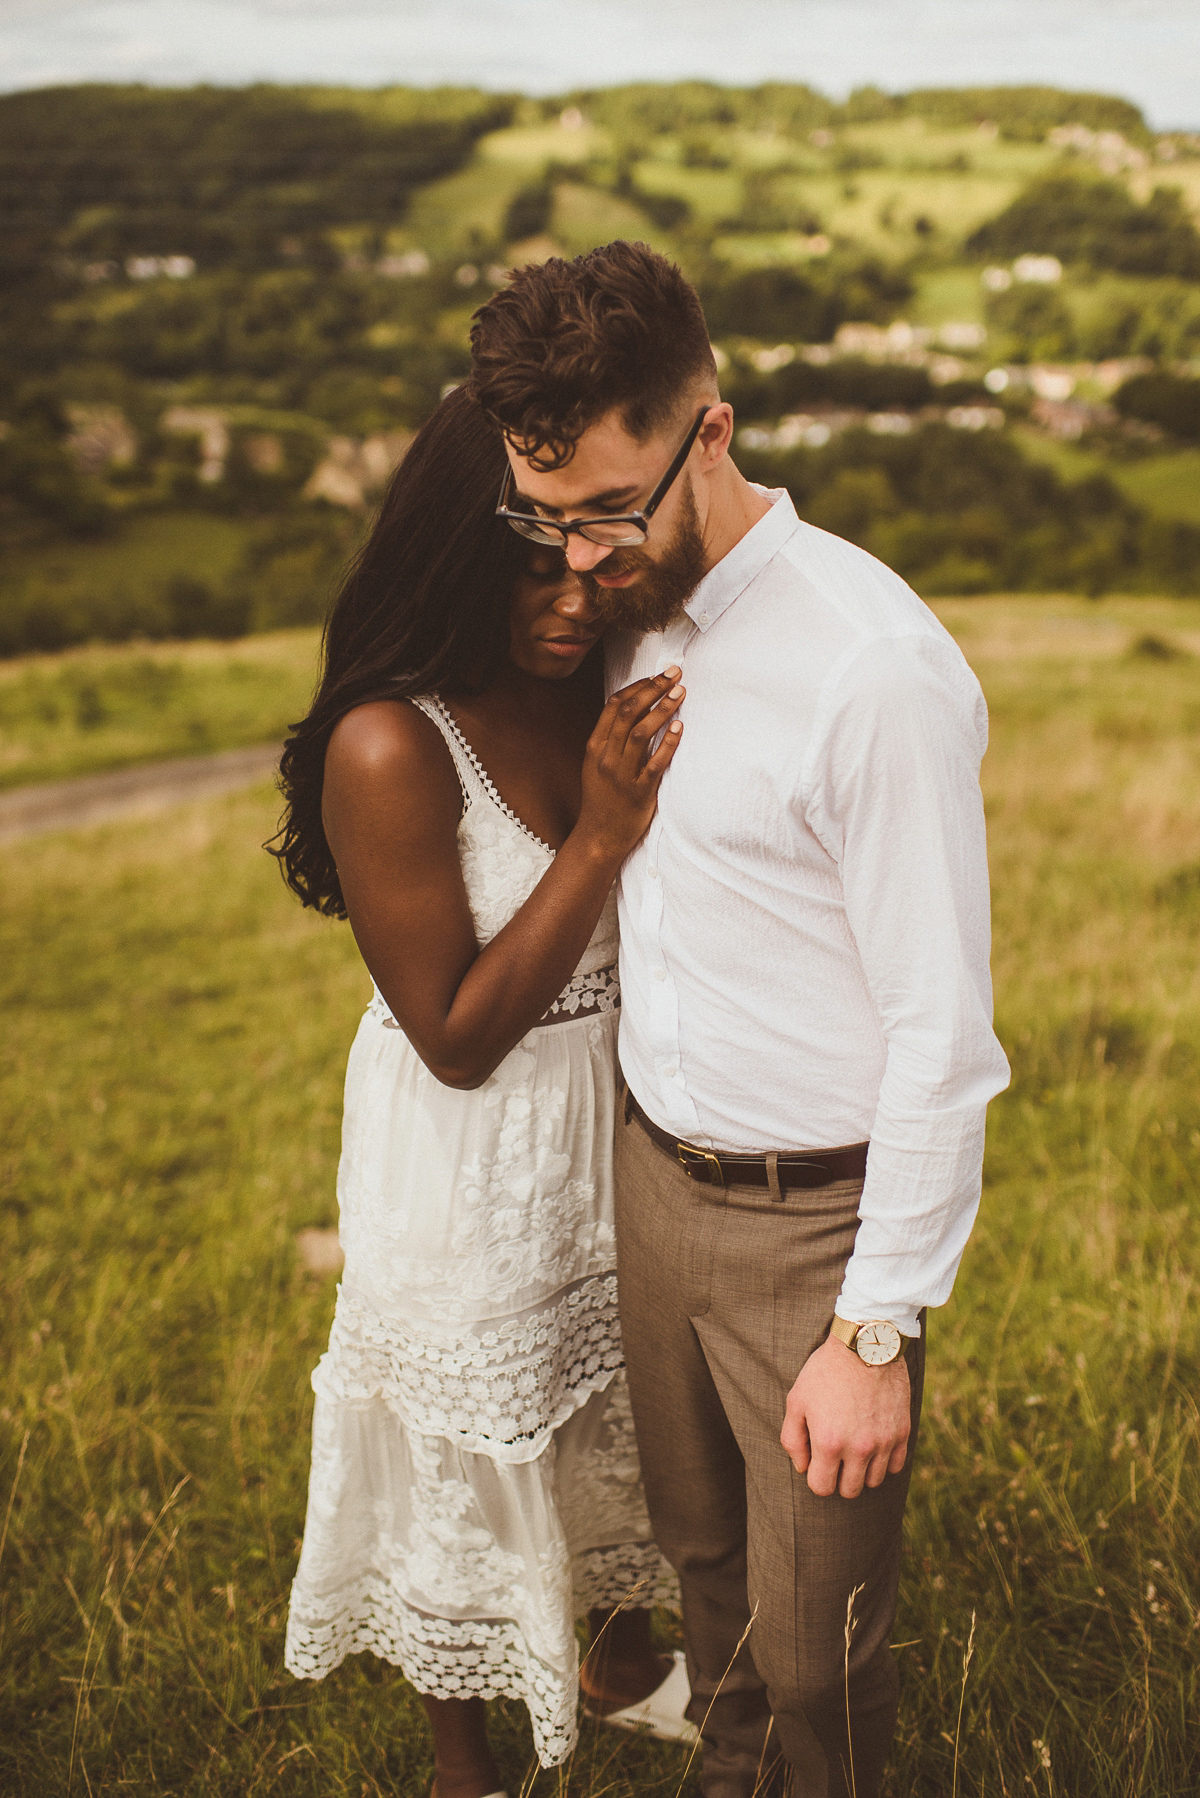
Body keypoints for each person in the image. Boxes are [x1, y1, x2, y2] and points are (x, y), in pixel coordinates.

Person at [469, 240, 1011, 1798]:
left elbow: (941, 1032)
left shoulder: (873, 671)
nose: (574, 562)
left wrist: (874, 1324)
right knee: (714, 1606)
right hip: (658, 1187)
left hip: (816, 1235)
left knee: (820, 1653)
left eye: (602, 517)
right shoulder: (627, 613)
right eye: (542, 517)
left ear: (710, 426)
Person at [271, 386, 688, 1798]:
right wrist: (603, 836)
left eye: (577, 556)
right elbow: (452, 1032)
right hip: (468, 1146)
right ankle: (466, 1764)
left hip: (611, 1113)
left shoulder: (592, 676)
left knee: (615, 1398)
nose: (568, 600)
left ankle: (621, 1661)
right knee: (475, 1432)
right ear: (451, 557)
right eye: (524, 565)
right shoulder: (390, 742)